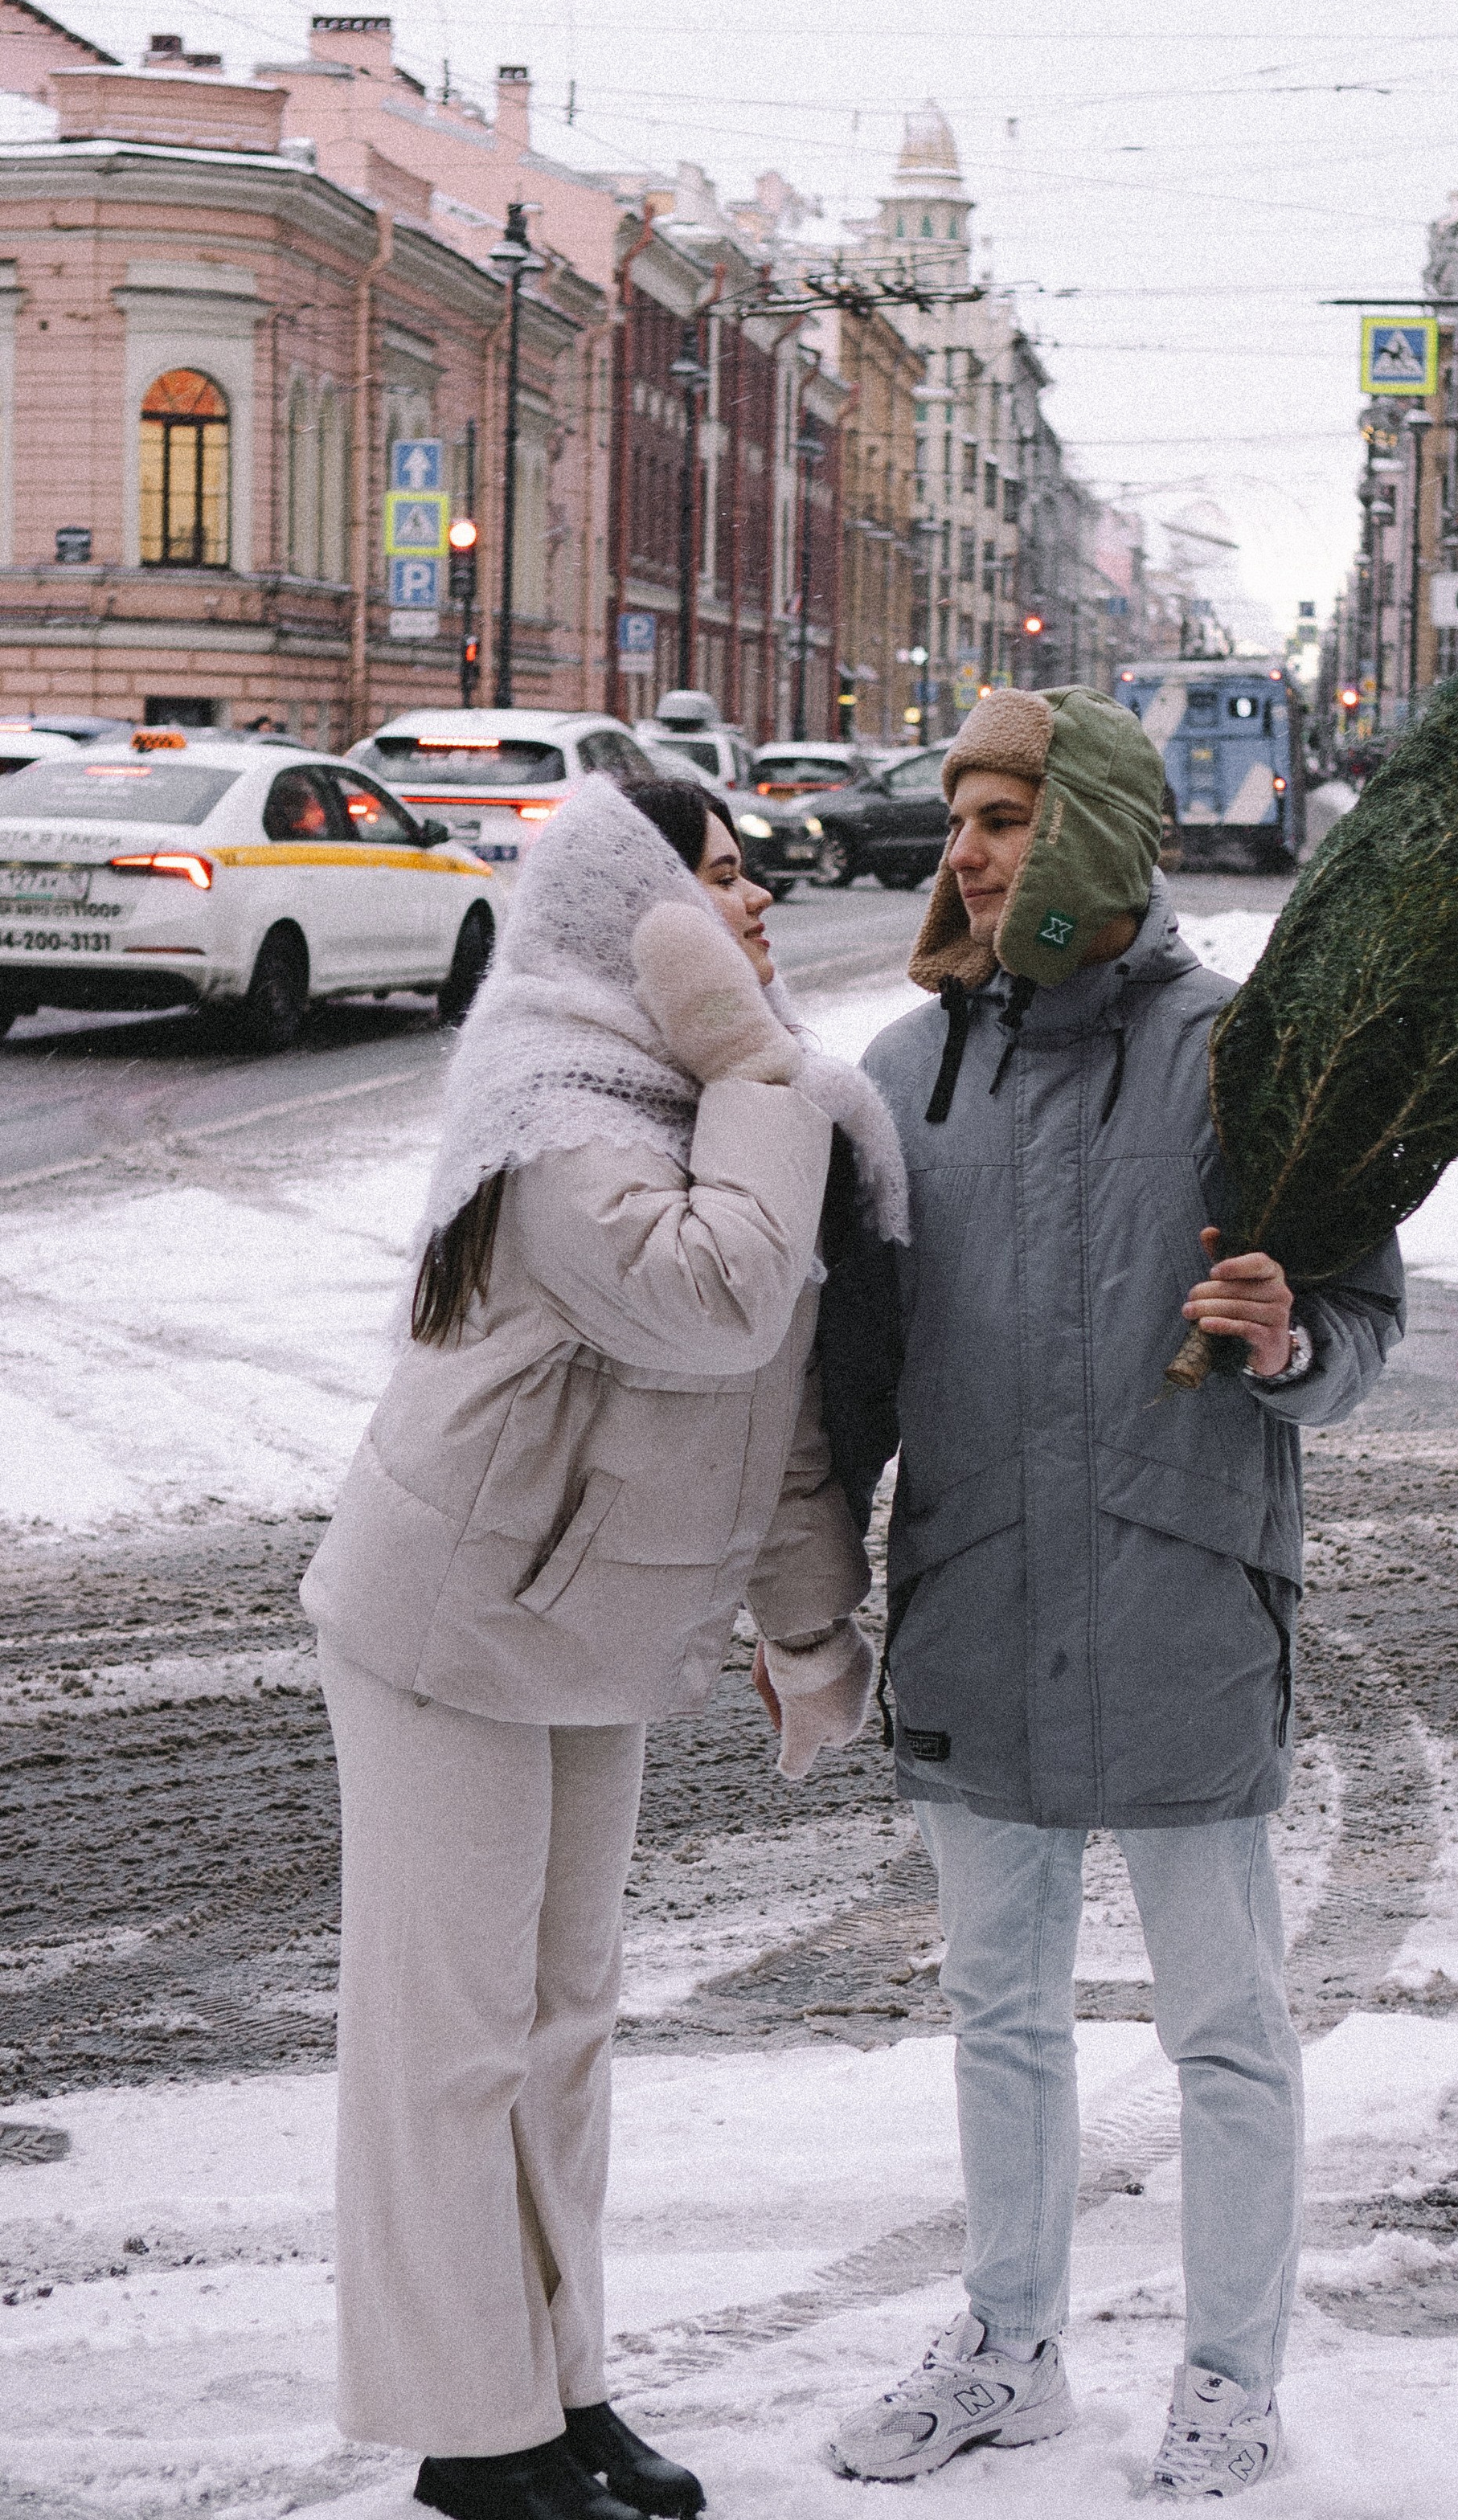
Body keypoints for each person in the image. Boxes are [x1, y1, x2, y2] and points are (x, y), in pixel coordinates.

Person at [817, 686, 1403, 2500]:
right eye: (959, 823)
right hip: (975, 1596)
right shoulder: (903, 1074)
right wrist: (802, 1599)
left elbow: (1360, 1317)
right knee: (997, 2009)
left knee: (1222, 2025)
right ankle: (1009, 2350)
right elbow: (847, 1379)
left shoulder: (1245, 1056)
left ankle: (1230, 2380)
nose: (968, 857)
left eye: (1002, 820)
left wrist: (1287, 1337)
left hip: (1181, 1599)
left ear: (1085, 830)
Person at [301, 771, 906, 2520]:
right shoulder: (558, 1109)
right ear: (621, 916)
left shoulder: (735, 1103)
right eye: (712, 878)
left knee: (564, 2026)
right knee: (452, 2040)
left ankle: (558, 2389)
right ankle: (469, 2429)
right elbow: (714, 1302)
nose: (754, 903)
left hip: (587, 1627)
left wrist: (812, 1627)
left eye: (750, 876)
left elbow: (782, 1412)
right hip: (447, 1623)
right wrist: (758, 1071)